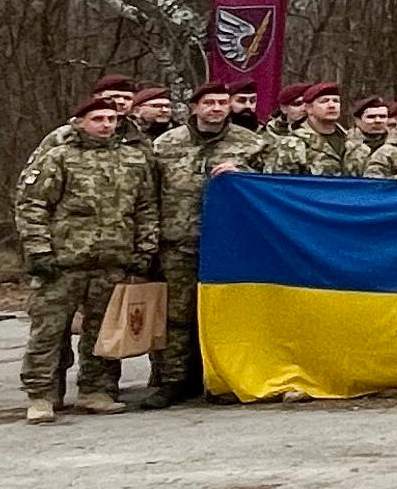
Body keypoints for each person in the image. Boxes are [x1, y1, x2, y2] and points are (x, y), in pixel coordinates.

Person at [17, 95, 155, 420]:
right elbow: (32, 205)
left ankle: (97, 389)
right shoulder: (59, 158)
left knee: (103, 331)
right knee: (49, 330)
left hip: (113, 260)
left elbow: (146, 208)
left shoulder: (133, 160)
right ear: (80, 123)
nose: (106, 125)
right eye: (98, 119)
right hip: (63, 262)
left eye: (111, 119)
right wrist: (38, 250)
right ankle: (43, 394)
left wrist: (144, 249)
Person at [137, 82, 271, 408]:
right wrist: (148, 240)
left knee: (224, 315)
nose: (216, 108)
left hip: (230, 243)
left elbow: (274, 183)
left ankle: (221, 379)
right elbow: (146, 195)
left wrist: (245, 173)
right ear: (194, 108)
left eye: (222, 102)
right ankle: (173, 382)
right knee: (177, 316)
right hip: (176, 242)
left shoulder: (251, 143)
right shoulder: (165, 144)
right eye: (208, 102)